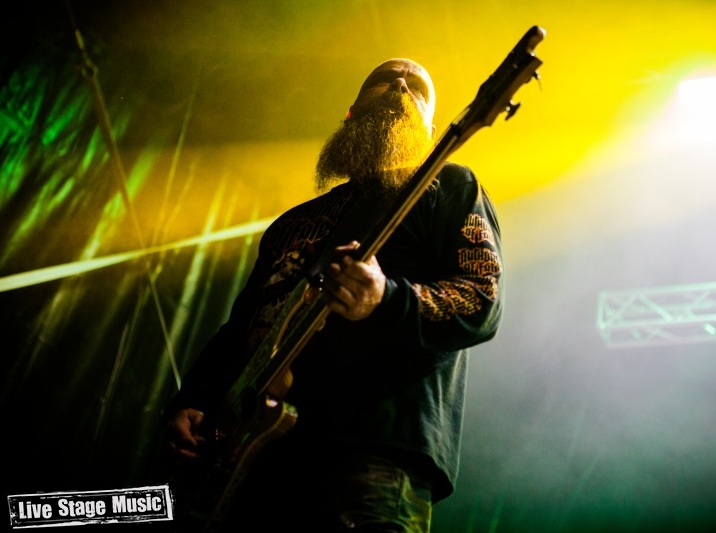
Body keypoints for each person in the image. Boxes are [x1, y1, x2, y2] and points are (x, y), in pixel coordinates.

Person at [162, 57, 504, 532]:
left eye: (417, 88)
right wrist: (193, 400)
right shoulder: (293, 223)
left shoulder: (450, 186)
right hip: (258, 460)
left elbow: (480, 297)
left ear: (429, 131)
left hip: (373, 452)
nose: (400, 85)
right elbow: (241, 327)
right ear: (350, 112)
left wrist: (386, 299)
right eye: (383, 79)